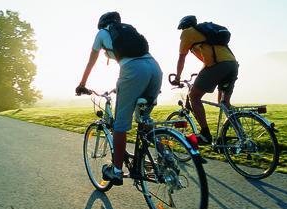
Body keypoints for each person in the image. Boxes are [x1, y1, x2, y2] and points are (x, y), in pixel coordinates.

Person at [76, 11, 162, 186]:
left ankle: (116, 171)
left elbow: (91, 61)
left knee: (120, 125)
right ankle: (164, 157)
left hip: (133, 71)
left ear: (101, 24)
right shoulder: (128, 32)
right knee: (144, 119)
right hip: (154, 68)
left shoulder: (102, 33)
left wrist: (82, 84)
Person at [171, 15, 239, 144]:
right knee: (224, 103)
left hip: (218, 66)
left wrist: (178, 77)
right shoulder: (207, 34)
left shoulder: (187, 33)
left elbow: (182, 57)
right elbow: (209, 59)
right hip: (232, 64)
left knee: (194, 96)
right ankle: (240, 135)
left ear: (183, 26)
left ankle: (205, 134)